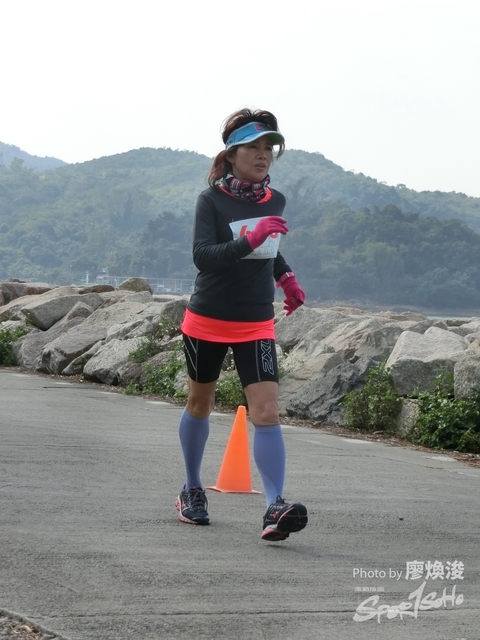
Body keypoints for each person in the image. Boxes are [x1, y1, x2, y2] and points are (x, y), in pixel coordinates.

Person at [175, 108, 308, 541]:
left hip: (256, 321)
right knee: (200, 403)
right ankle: (192, 488)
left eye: (269, 147)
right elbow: (203, 256)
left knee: (266, 410)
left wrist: (286, 278)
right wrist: (249, 239)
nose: (263, 155)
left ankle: (274, 506)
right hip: (208, 319)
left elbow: (270, 248)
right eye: (253, 147)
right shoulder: (211, 200)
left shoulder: (276, 200)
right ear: (231, 154)